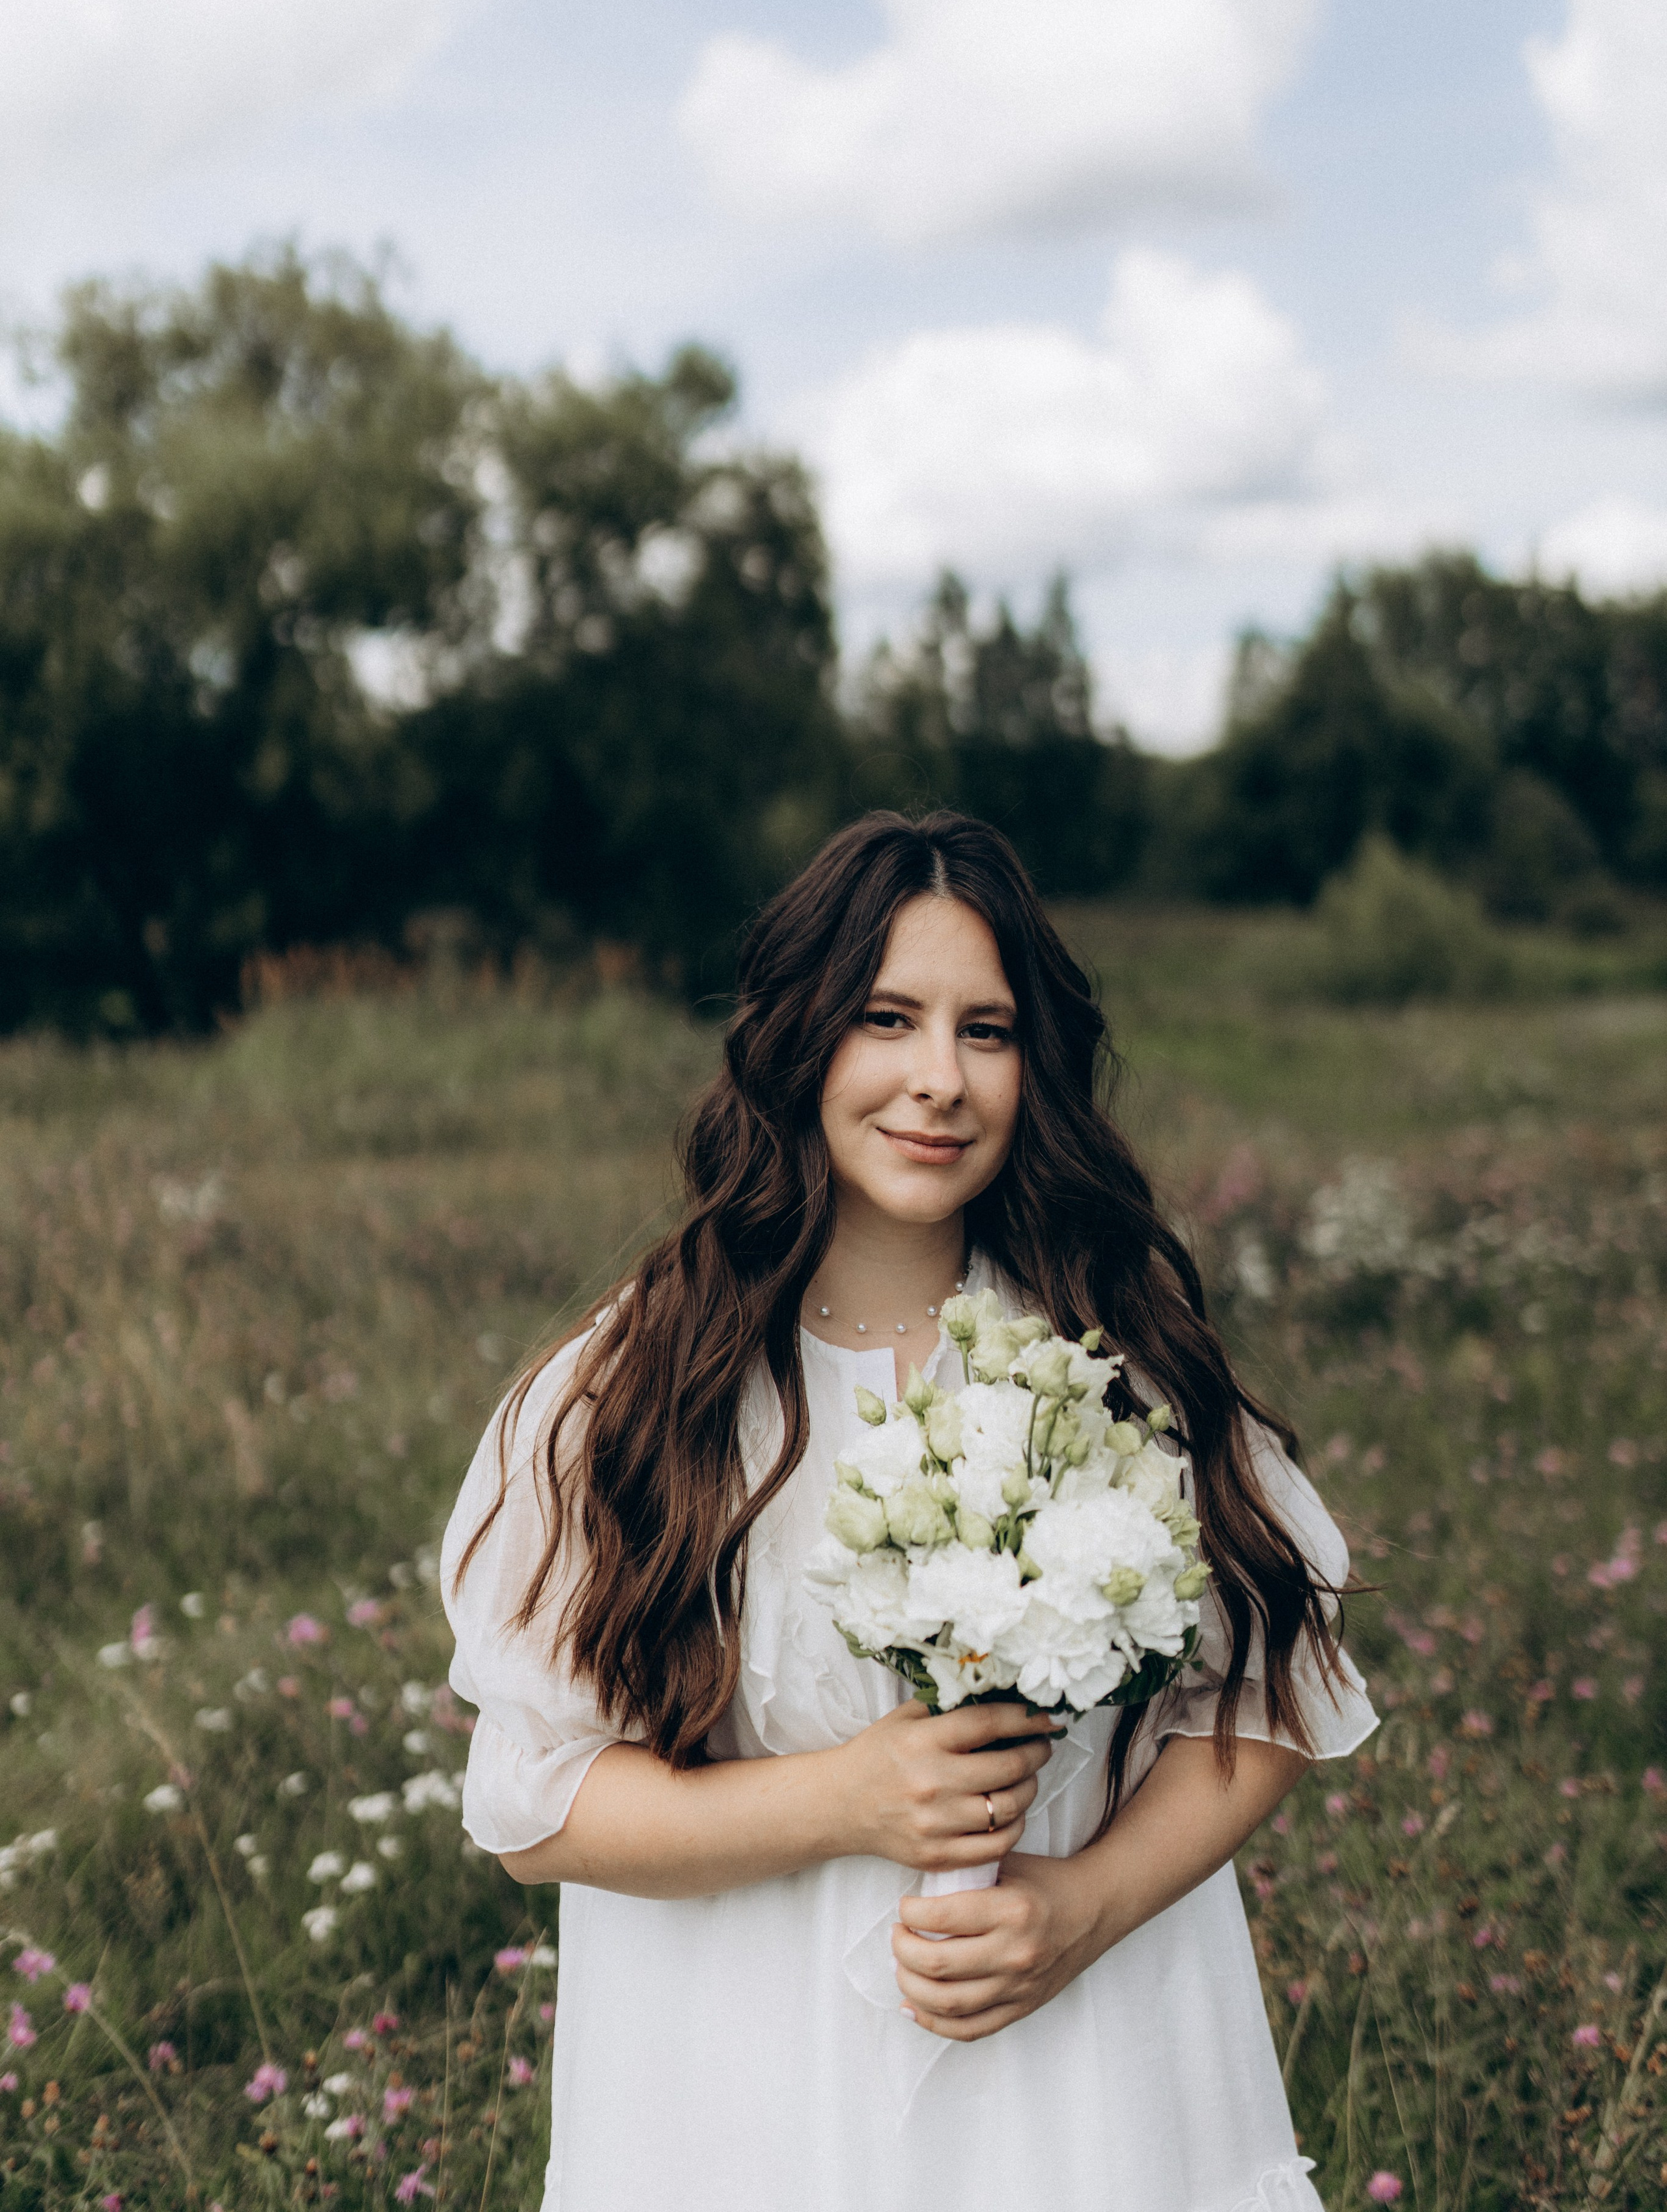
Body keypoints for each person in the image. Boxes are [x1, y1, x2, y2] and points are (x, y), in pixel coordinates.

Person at [442, 810, 1377, 2212]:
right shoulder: (634, 1392)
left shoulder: (1103, 1361)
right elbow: (534, 1805)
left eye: (984, 1031)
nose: (936, 1080)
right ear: (798, 1036)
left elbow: (1273, 1694)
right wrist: (841, 1798)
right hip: (747, 2103)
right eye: (887, 1017)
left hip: (1085, 2084)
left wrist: (1083, 1908)